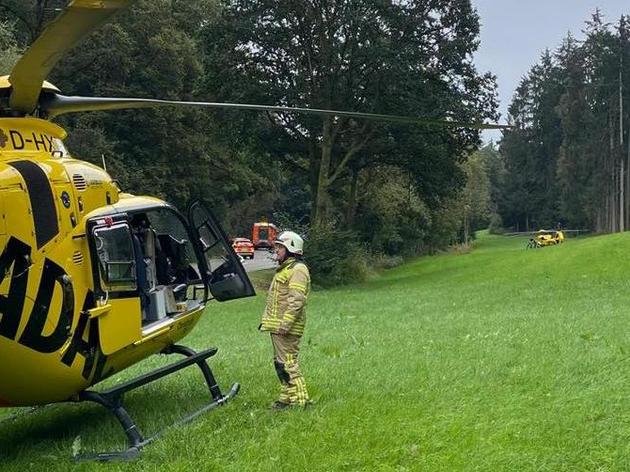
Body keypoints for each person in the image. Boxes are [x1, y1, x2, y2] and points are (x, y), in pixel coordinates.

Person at [259, 230, 311, 409]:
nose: (277, 251)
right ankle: (286, 399)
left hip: (286, 327)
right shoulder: (286, 269)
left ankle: (301, 401)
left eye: (280, 247)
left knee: (288, 363)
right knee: (280, 364)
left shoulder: (298, 270)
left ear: (291, 248)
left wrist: (286, 324)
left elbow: (296, 300)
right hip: (278, 326)